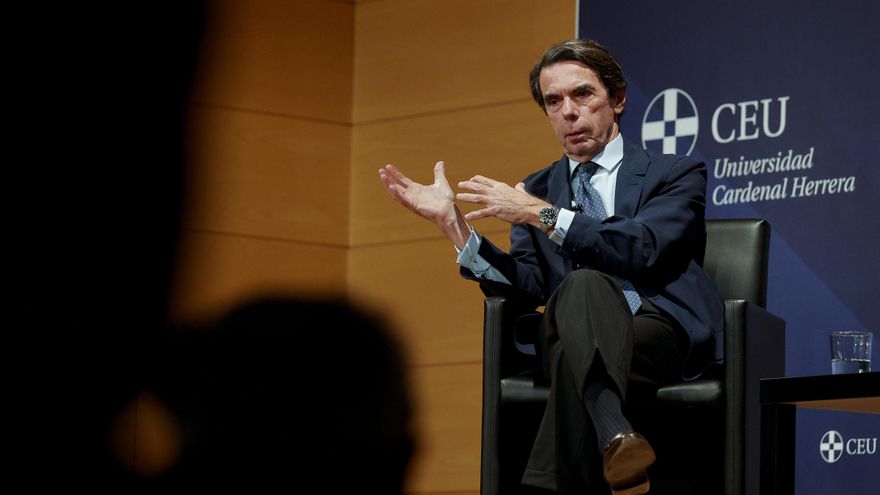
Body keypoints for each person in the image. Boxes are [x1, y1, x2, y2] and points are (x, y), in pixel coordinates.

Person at [378, 39, 723, 495]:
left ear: (617, 99)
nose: (569, 112)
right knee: (579, 294)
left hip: (655, 327)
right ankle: (614, 438)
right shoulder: (537, 187)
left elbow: (641, 248)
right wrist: (453, 227)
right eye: (553, 101)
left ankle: (584, 454)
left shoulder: (674, 172)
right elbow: (527, 288)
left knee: (573, 333)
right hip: (572, 323)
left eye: (583, 95)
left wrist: (540, 214)